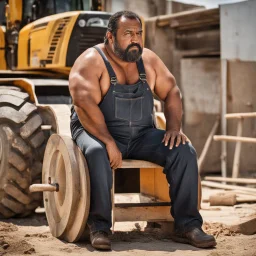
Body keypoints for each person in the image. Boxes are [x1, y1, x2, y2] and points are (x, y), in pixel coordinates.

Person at [69, 11, 216, 251]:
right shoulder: (90, 62)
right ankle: (99, 227)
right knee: (96, 152)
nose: (135, 39)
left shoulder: (149, 60)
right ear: (110, 37)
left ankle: (188, 225)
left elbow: (171, 92)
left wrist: (174, 128)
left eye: (139, 33)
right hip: (95, 129)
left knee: (183, 150)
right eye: (128, 34)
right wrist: (107, 141)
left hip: (141, 134)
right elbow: (84, 106)